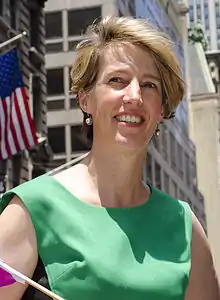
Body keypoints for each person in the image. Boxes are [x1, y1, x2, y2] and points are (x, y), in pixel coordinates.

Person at [0, 16, 219, 300]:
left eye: (150, 85)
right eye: (117, 80)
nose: (135, 96)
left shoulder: (185, 228)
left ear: (162, 108)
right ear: (85, 99)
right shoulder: (31, 210)